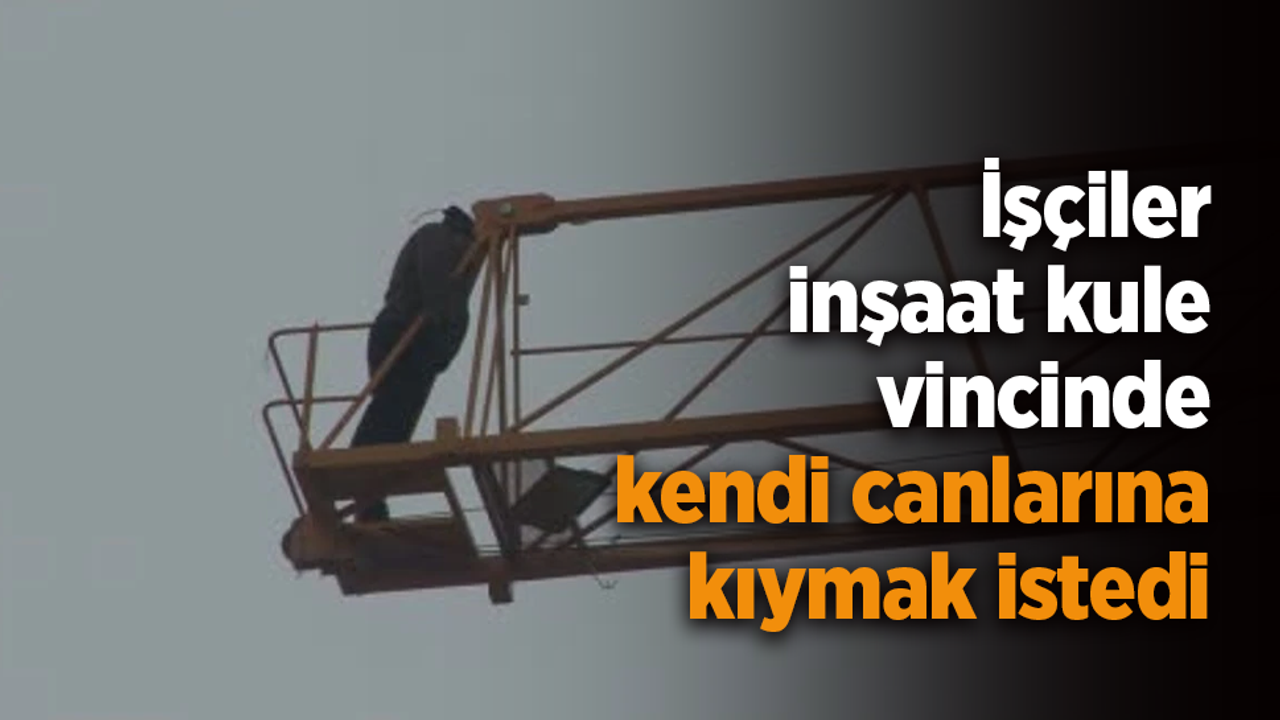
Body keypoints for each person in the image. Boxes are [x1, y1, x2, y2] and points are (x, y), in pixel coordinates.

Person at [348, 204, 483, 523]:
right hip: (405, 331)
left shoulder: (457, 248)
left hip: (421, 338)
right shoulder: (436, 236)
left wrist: (443, 344)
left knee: (400, 415)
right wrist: (443, 326)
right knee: (392, 407)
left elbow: (452, 299)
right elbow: (437, 284)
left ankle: (372, 492)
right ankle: (362, 474)